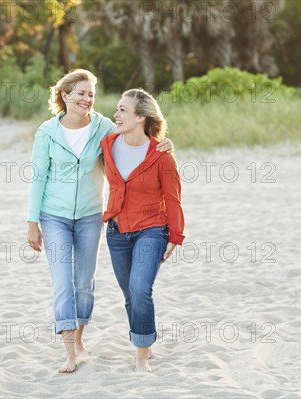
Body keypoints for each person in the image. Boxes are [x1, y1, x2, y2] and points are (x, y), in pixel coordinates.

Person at [26, 70, 173, 373]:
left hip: (92, 215)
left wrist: (165, 144)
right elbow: (38, 178)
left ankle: (80, 338)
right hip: (54, 216)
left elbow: (139, 138)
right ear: (64, 95)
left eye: (91, 93)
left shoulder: (105, 128)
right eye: (80, 93)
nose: (87, 99)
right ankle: (69, 352)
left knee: (84, 284)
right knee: (63, 282)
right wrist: (32, 221)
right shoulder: (47, 132)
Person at [101, 88, 185, 373]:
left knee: (140, 289)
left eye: (123, 110)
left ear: (141, 117)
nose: (116, 114)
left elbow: (173, 198)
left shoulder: (161, 156)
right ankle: (142, 341)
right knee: (129, 294)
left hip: (152, 229)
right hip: (116, 231)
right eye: (118, 108)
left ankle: (142, 355)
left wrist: (176, 236)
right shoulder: (107, 144)